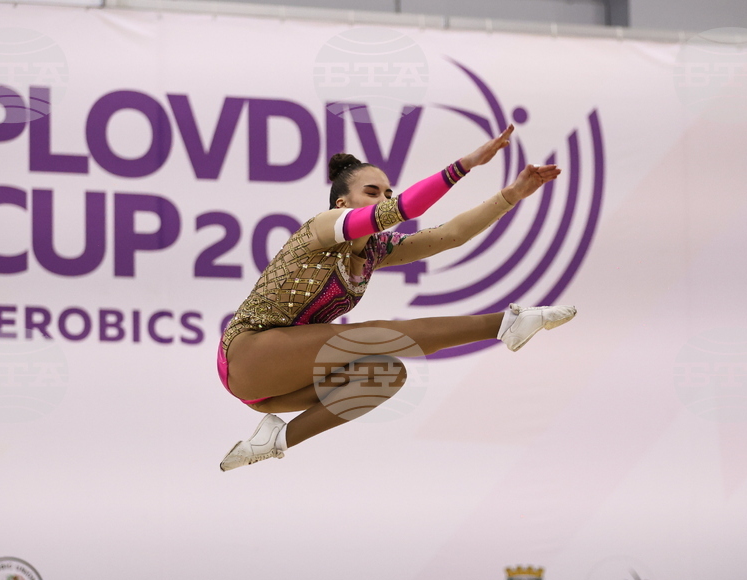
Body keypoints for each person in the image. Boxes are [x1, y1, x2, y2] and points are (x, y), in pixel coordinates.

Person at [217, 124, 576, 471]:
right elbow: (407, 208)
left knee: (385, 375)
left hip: (274, 389)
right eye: (372, 192)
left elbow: (451, 234)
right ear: (342, 202)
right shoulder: (322, 227)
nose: (384, 200)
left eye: (388, 194)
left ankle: (274, 441)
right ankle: (505, 323)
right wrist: (466, 164)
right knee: (371, 334)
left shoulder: (375, 249)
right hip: (247, 355)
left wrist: (512, 194)